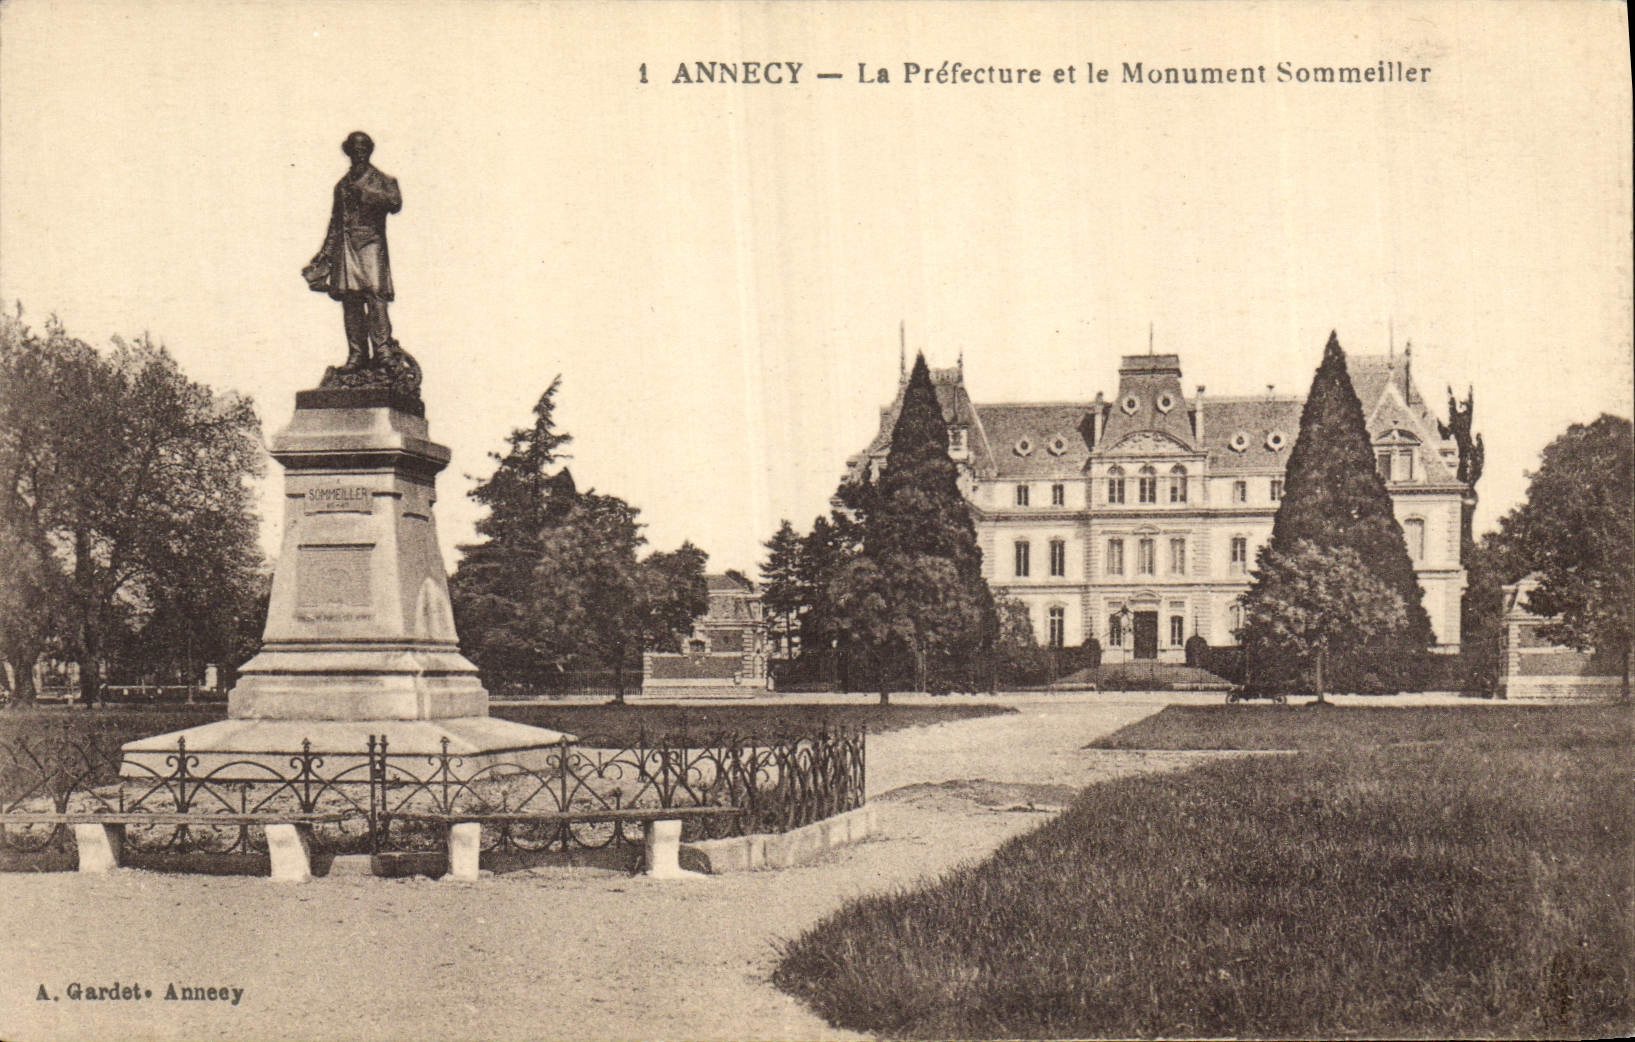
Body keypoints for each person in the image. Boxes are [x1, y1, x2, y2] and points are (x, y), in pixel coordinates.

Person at [303, 131, 402, 371]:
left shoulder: (383, 180)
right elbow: (335, 223)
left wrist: (366, 194)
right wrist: (325, 253)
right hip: (346, 247)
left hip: (371, 243)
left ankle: (383, 351)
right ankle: (357, 355)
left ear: (369, 151)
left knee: (376, 294)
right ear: (348, 152)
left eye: (363, 149)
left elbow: (394, 202)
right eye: (355, 150)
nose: (359, 154)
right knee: (351, 300)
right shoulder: (341, 186)